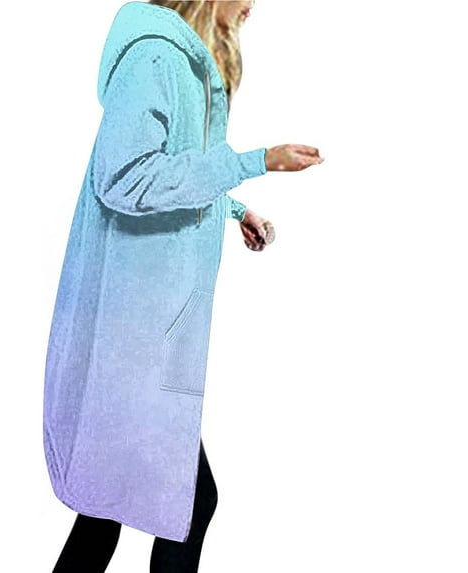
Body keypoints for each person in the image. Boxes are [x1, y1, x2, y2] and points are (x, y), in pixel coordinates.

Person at [44, 1, 323, 571]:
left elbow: (171, 170)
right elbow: (124, 178)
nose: (253, 6)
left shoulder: (184, 63)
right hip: (133, 327)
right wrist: (255, 161)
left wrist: (234, 207)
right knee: (184, 502)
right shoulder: (155, 58)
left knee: (107, 509)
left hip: (155, 324)